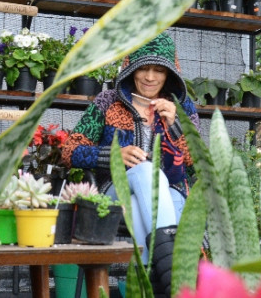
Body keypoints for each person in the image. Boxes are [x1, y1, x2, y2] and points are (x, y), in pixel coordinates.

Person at [61, 33, 199, 297]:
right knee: (147, 170)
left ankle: (150, 285)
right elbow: (70, 150)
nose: (150, 77)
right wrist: (112, 155)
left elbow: (194, 162)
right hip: (115, 192)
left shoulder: (181, 106)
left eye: (158, 70)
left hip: (168, 194)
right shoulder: (107, 102)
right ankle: (175, 278)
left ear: (169, 73)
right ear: (130, 68)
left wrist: (176, 125)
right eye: (143, 68)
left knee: (141, 203)